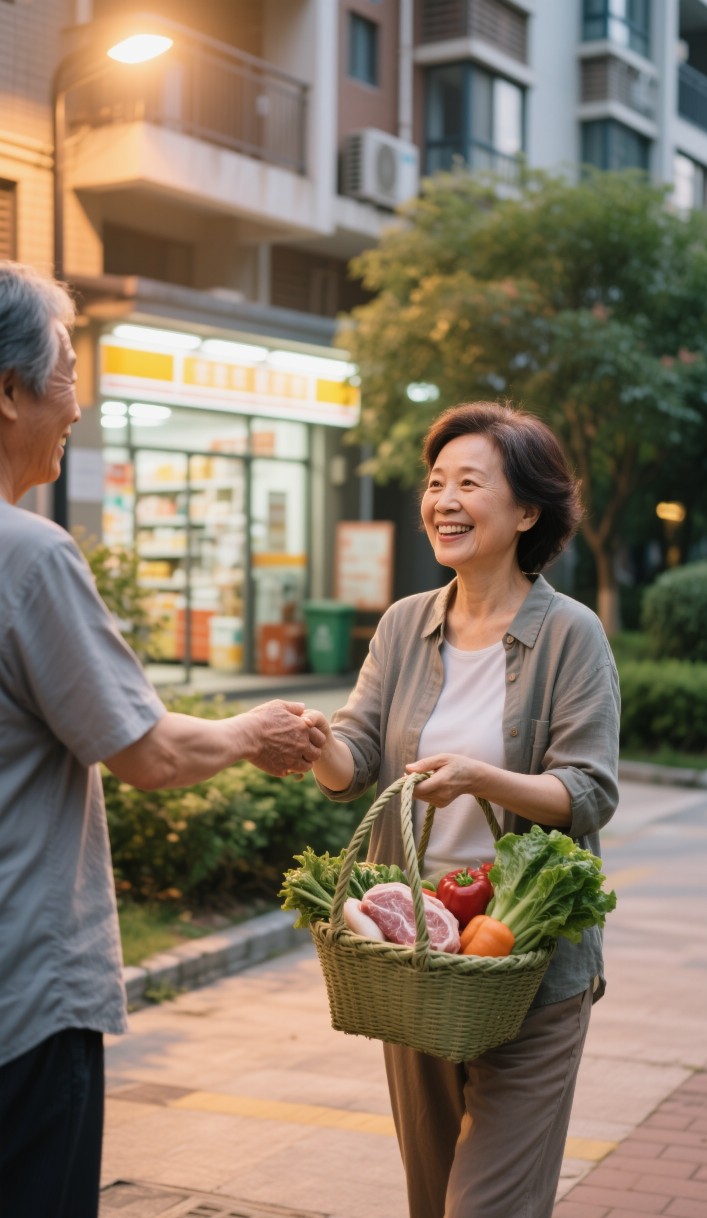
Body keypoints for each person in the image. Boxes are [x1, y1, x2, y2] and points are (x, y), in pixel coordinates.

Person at [0, 260, 324, 1218]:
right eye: (67, 374)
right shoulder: (29, 556)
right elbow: (149, 754)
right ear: (9, 391)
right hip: (22, 1002)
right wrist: (251, 733)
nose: (79, 404)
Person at [306, 400, 620, 1218]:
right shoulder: (403, 624)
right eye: (435, 482)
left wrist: (483, 779)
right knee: (430, 1194)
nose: (443, 500)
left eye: (469, 483)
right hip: (416, 953)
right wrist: (312, 743)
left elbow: (588, 791)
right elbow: (354, 758)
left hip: (526, 959)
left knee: (486, 1205)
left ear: (526, 512)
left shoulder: (571, 635)